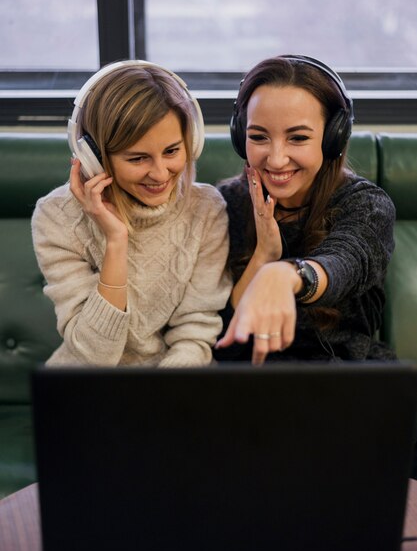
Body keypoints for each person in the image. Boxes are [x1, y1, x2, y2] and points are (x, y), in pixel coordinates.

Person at [32, 60, 231, 367]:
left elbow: (194, 332)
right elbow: (95, 356)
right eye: (138, 158)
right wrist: (115, 240)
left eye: (172, 151)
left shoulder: (207, 209)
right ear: (94, 158)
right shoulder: (56, 217)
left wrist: (162, 402)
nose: (160, 173)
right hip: (90, 387)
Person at [214, 54, 396, 366]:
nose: (276, 159)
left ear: (332, 137)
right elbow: (223, 344)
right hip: (245, 389)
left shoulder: (366, 206)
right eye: (258, 137)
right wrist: (263, 258)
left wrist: (287, 275)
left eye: (297, 138)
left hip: (340, 385)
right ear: (239, 134)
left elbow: (345, 260)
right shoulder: (226, 203)